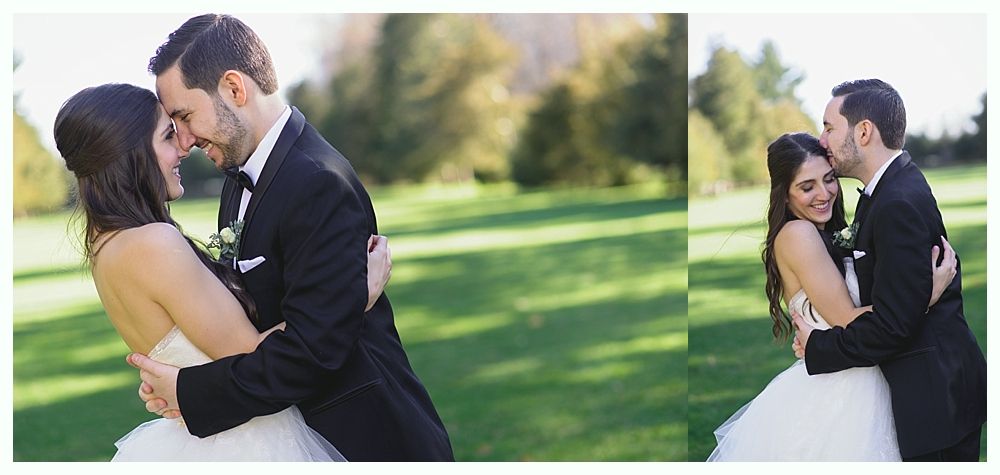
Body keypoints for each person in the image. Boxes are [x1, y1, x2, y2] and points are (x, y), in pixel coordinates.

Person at [126, 14, 454, 461]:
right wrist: (349, 300)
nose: (183, 140)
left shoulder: (317, 182)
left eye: (185, 116)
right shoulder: (238, 178)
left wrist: (190, 390)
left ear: (234, 89)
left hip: (363, 440)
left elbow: (313, 351)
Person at [54, 82, 394, 460]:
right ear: (131, 153)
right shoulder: (153, 243)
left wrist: (183, 386)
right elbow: (251, 355)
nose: (184, 145)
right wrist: (352, 294)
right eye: (168, 135)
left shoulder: (106, 246)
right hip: (250, 442)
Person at [707, 132, 956, 461]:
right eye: (807, 187)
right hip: (841, 396)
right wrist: (925, 296)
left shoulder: (824, 232)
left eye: (828, 179)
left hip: (864, 373)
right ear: (784, 195)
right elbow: (845, 319)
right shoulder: (798, 234)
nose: (824, 194)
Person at [793, 79, 986, 462]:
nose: (822, 139)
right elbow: (898, 304)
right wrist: (921, 297)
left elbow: (894, 325)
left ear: (863, 132)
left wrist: (818, 347)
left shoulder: (896, 201)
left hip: (935, 396)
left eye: (830, 127)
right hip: (934, 385)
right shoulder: (887, 189)